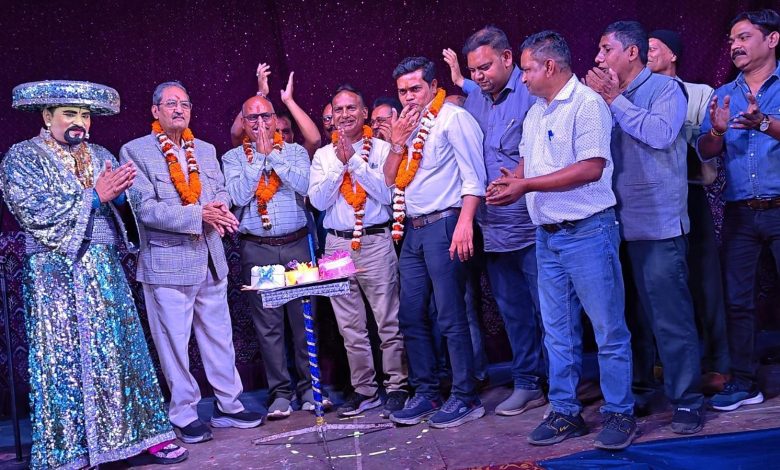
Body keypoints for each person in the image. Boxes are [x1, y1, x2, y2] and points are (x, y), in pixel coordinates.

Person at [0, 80, 187, 468]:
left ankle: (142, 435)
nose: (80, 122)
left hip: (103, 271)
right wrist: (94, 196)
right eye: (70, 114)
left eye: (85, 115)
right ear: (47, 116)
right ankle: (73, 449)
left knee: (121, 353)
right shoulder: (22, 158)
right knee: (64, 362)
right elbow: (36, 212)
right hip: (55, 274)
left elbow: (126, 207)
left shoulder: (100, 154)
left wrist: (123, 197)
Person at [488, 30, 636, 451]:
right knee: (557, 331)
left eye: (527, 69)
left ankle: (620, 413)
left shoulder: (587, 104)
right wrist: (514, 180)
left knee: (608, 329)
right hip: (548, 236)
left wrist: (527, 185)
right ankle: (565, 412)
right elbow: (529, 162)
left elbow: (591, 168)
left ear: (550, 66)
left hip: (588, 231)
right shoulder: (537, 111)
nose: (522, 78)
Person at [120, 81, 263, 444]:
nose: (179, 109)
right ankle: (184, 414)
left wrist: (220, 208)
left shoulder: (206, 149)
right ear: (155, 111)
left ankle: (229, 405)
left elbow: (220, 191)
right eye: (171, 104)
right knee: (174, 345)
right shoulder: (135, 151)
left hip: (210, 258)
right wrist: (199, 214)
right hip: (167, 263)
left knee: (220, 338)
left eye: (184, 104)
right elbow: (145, 209)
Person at [585, 20, 705, 434]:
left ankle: (687, 399)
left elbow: (660, 134)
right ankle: (637, 390)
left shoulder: (665, 89)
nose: (598, 58)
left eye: (606, 49)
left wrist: (615, 100)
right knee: (626, 319)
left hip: (657, 225)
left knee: (669, 318)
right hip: (609, 224)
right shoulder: (599, 98)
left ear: (631, 52)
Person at [383, 56, 488, 428]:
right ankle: (426, 392)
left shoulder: (453, 119)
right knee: (411, 315)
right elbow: (390, 180)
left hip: (447, 223)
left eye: (415, 88)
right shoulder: (404, 126)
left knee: (450, 314)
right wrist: (396, 143)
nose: (409, 97)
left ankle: (465, 396)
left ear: (432, 85)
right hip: (412, 229)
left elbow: (474, 177)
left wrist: (465, 223)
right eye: (402, 91)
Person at [454, 25, 546, 416]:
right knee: (513, 313)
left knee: (550, 311)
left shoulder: (532, 92)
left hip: (535, 224)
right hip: (493, 228)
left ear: (508, 58)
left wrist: (520, 178)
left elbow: (543, 149)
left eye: (485, 67)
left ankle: (564, 386)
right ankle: (528, 383)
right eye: (473, 70)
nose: (479, 76)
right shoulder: (473, 102)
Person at [309, 85, 409, 418]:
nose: (345, 115)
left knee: (388, 321)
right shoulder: (323, 156)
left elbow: (385, 194)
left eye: (351, 108)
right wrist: (339, 166)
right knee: (349, 327)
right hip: (336, 244)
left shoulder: (382, 148)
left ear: (364, 113)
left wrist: (353, 161)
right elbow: (318, 202)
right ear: (331, 117)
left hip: (375, 240)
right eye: (338, 110)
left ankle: (397, 386)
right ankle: (364, 389)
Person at [697, 9, 780, 412]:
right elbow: (705, 150)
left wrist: (763, 122)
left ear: (772, 39)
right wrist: (716, 130)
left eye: (744, 37)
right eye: (732, 40)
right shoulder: (723, 93)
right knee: (737, 301)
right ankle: (744, 382)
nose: (735, 46)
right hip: (740, 212)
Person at [223, 95, 324, 419]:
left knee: (304, 319)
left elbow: (305, 186)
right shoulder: (232, 158)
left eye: (265, 116)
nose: (260, 123)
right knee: (268, 326)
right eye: (252, 118)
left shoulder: (294, 152)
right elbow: (238, 196)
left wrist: (274, 158)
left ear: (273, 119)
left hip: (297, 246)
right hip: (258, 249)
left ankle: (310, 389)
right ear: (243, 123)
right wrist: (258, 161)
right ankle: (280, 393)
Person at [647, 29, 730, 391]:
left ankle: (718, 363)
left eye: (654, 48)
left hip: (690, 194)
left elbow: (705, 149)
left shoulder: (698, 93)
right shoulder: (634, 96)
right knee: (660, 284)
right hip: (650, 201)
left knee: (704, 281)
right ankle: (667, 362)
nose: (646, 53)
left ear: (673, 55)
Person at [230, 63, 321, 156]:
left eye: (286, 131)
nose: (281, 135)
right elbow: (235, 134)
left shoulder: (296, 155)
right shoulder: (248, 152)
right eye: (276, 131)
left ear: (293, 134)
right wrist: (261, 94)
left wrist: (289, 101)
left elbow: (315, 141)